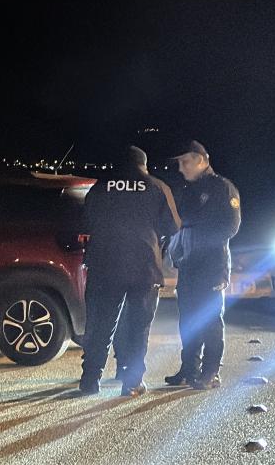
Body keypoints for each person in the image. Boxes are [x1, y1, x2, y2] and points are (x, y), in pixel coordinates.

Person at [79, 146, 181, 396]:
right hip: (144, 268)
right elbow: (174, 225)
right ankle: (132, 383)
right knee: (138, 327)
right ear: (143, 165)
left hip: (105, 266)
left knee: (100, 325)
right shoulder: (158, 187)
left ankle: (90, 381)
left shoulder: (100, 187)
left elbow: (86, 221)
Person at [164, 140, 241, 390]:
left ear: (200, 159)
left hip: (211, 265)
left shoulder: (222, 188)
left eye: (184, 162)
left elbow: (231, 226)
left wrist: (198, 239)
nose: (181, 168)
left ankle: (210, 372)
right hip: (189, 265)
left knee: (210, 321)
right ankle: (189, 370)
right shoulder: (188, 189)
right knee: (188, 321)